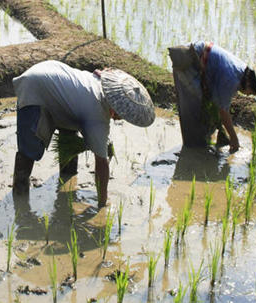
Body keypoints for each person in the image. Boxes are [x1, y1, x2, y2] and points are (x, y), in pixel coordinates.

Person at [12, 60, 155, 207]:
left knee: (70, 132)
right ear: (116, 107)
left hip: (50, 71)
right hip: (35, 87)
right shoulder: (97, 117)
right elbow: (101, 164)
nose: (122, 118)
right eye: (123, 114)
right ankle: (20, 202)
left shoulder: (102, 82)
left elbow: (103, 72)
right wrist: (102, 203)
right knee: (29, 149)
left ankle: (67, 178)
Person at [168, 43, 256, 153]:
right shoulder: (231, 80)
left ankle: (199, 143)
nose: (247, 95)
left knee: (205, 112)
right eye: (251, 93)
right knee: (192, 111)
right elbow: (223, 111)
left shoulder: (241, 70)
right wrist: (234, 138)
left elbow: (218, 101)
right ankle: (192, 153)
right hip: (187, 65)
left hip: (199, 63)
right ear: (250, 85)